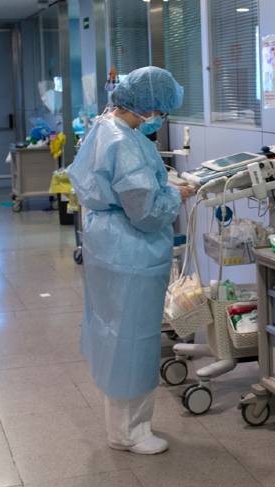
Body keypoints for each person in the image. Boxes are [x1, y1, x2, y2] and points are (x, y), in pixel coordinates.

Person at [68, 66, 193, 455]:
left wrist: (162, 188)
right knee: (133, 339)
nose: (160, 117)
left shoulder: (108, 127)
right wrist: (177, 195)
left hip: (109, 244)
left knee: (115, 332)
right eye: (161, 109)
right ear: (148, 105)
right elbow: (146, 211)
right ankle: (130, 432)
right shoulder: (124, 141)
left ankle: (123, 425)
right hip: (130, 249)